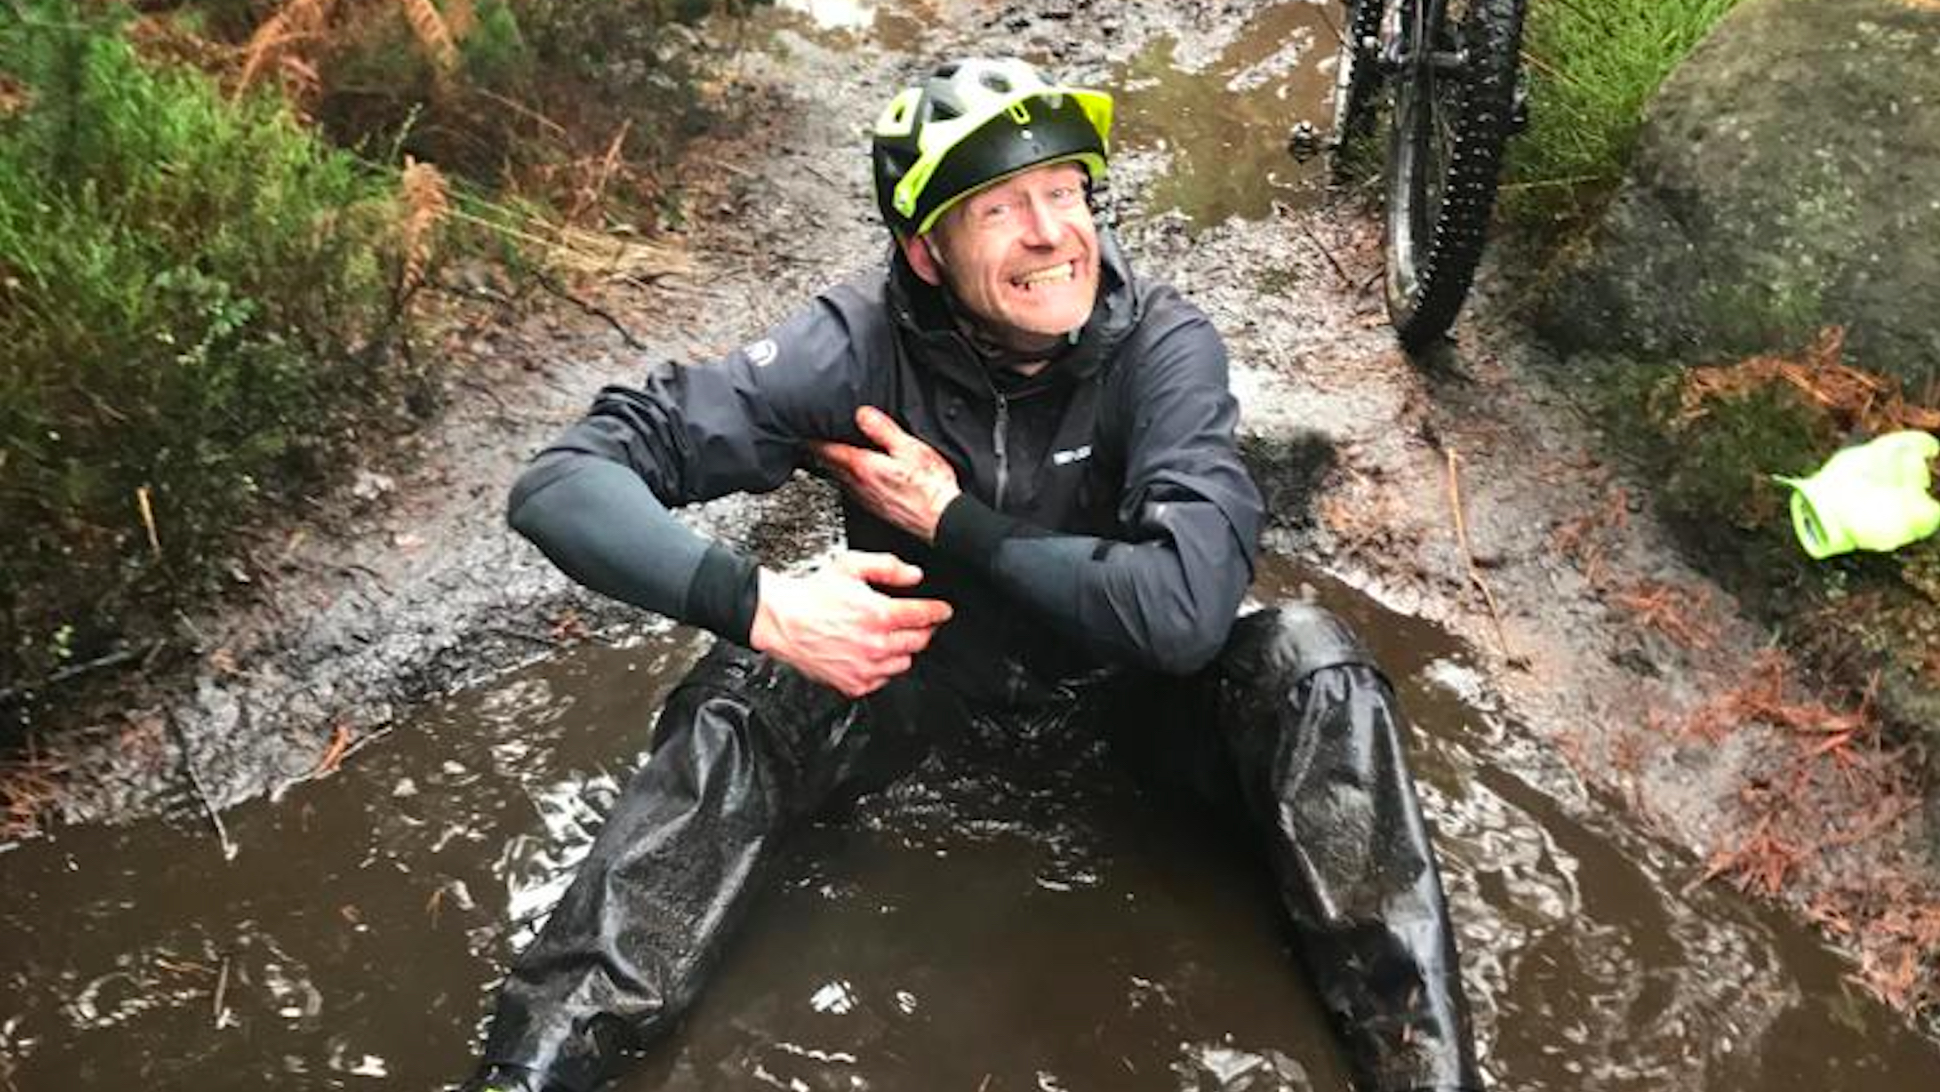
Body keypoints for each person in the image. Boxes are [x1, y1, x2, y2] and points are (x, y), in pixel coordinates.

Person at [461, 57, 1482, 1092]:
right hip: (921, 696)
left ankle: (1424, 1068)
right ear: (926, 250)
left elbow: (1182, 618)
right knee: (749, 681)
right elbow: (562, 482)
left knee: (1312, 661)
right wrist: (760, 603)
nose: (1050, 233)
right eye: (998, 207)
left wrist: (955, 522)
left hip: (1132, 702)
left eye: (1062, 193)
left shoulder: (1162, 347)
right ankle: (536, 1065)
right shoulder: (853, 345)